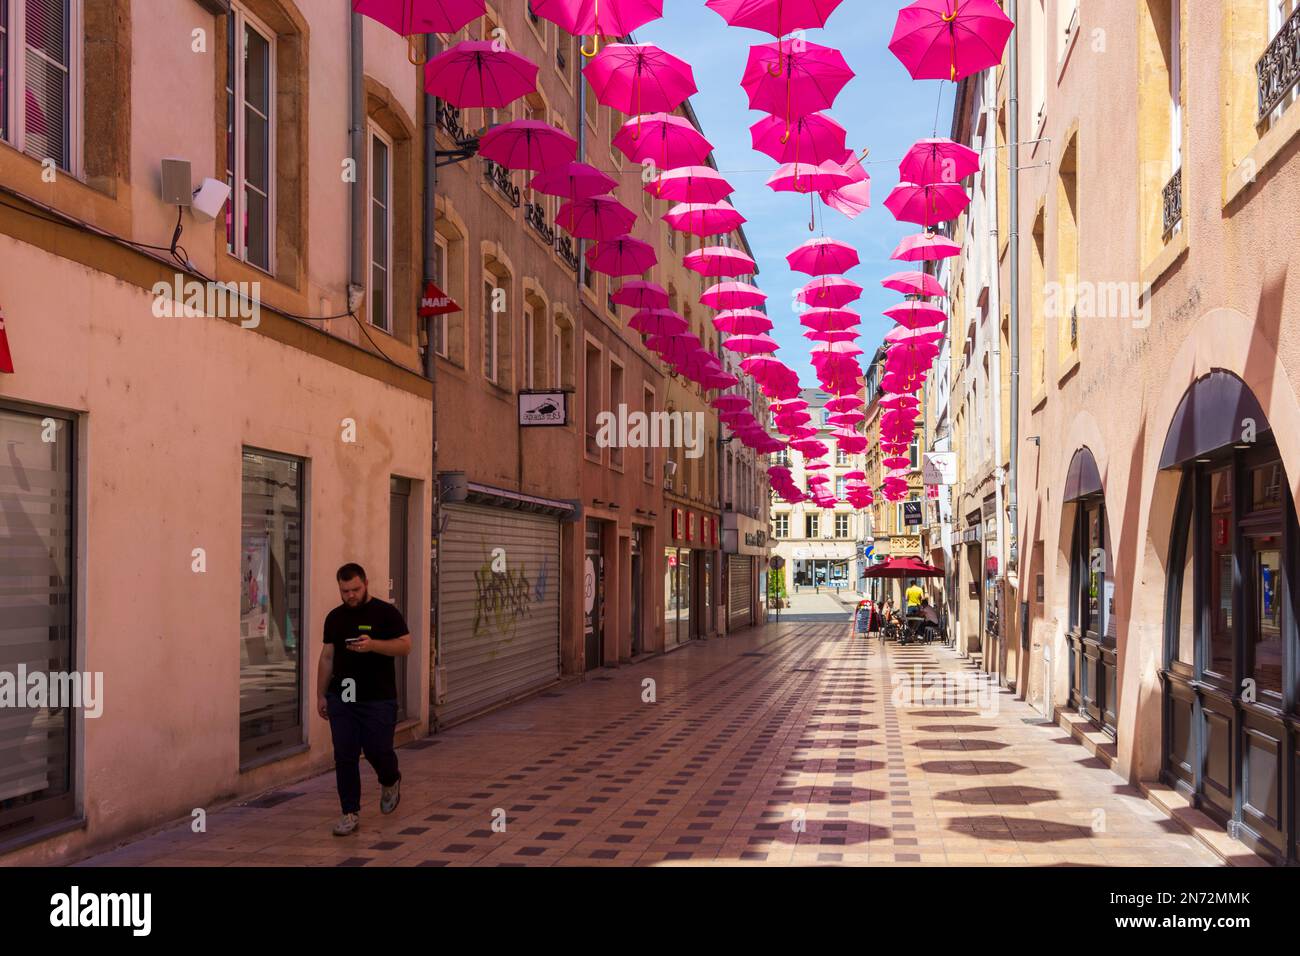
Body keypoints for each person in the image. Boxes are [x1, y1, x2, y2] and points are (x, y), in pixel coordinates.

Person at [317, 563, 412, 836]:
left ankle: (390, 778)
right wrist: (320, 695)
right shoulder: (334, 618)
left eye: (355, 589)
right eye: (345, 590)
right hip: (343, 695)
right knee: (345, 755)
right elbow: (327, 657)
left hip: (378, 696)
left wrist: (374, 645)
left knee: (376, 749)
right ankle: (349, 813)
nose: (350, 595)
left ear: (366, 583)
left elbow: (405, 646)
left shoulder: (385, 613)